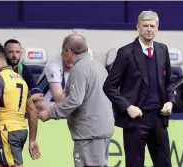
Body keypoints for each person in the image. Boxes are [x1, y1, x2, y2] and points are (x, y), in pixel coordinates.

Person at [103, 11, 175, 167]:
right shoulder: (126, 52)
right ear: (138, 27)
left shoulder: (162, 50)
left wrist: (170, 101)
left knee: (165, 164)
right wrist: (127, 107)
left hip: (159, 118)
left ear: (157, 28)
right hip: (135, 120)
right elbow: (109, 86)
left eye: (152, 26)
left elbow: (169, 81)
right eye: (145, 26)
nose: (149, 29)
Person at [38, 34, 114, 167]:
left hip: (89, 132)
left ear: (68, 51)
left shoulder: (79, 68)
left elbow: (74, 100)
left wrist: (50, 113)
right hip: (101, 129)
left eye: (63, 53)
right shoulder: (99, 67)